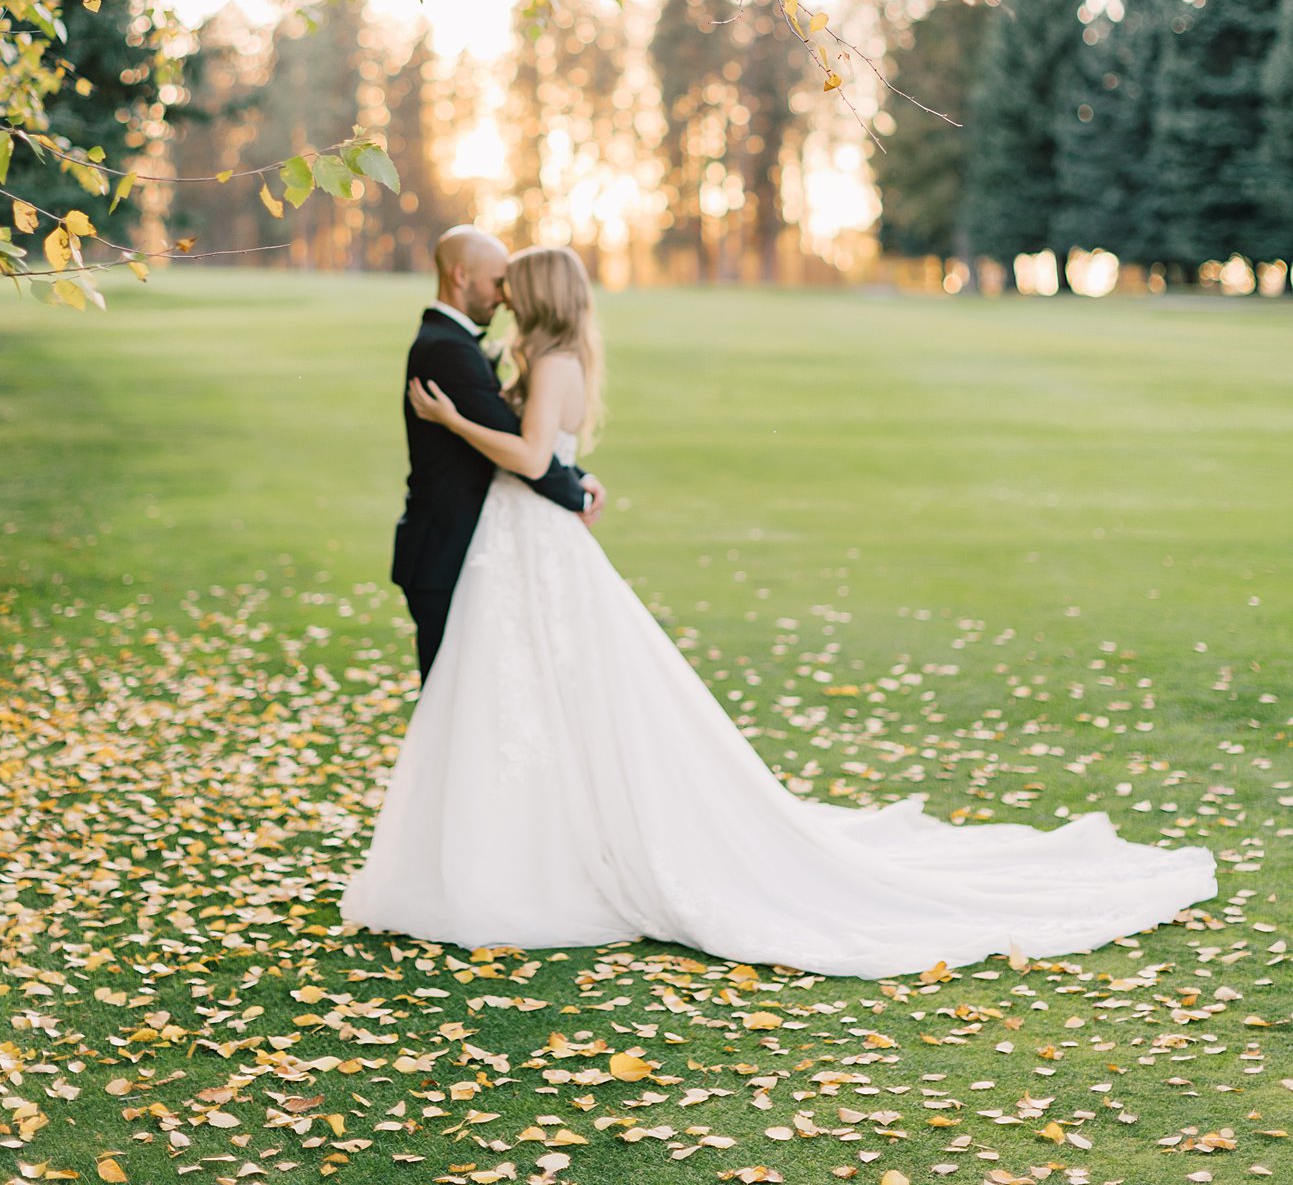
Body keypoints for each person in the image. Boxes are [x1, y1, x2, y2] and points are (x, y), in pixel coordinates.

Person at [342, 244, 1217, 979]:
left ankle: (545, 846)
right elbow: (548, 461)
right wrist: (558, 473)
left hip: (531, 539)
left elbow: (533, 456)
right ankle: (523, 837)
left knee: (556, 688)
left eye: (511, 284)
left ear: (531, 296)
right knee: (528, 692)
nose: (500, 294)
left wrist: (463, 426)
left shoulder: (550, 362)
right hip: (522, 541)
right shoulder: (541, 357)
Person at [390, 226, 604, 682]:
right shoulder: (448, 348)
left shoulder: (458, 342)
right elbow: (525, 449)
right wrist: (575, 493)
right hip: (448, 547)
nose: (504, 298)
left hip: (477, 544)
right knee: (455, 694)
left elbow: (522, 438)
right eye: (497, 283)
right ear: (461, 275)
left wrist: (574, 475)